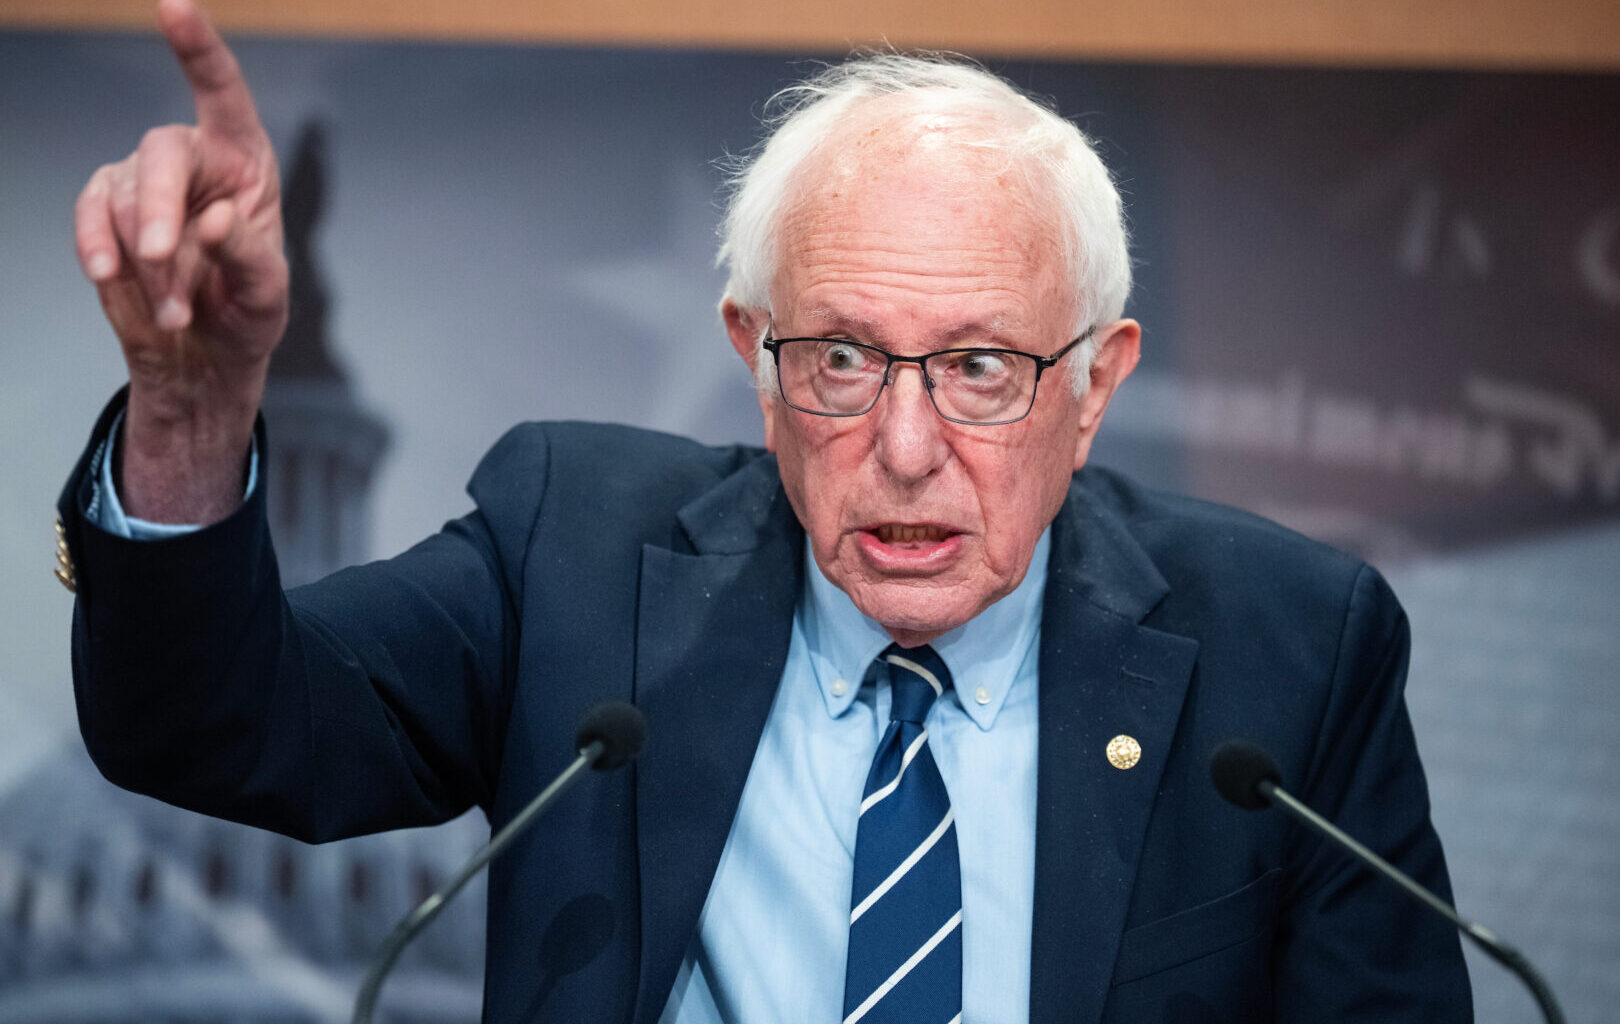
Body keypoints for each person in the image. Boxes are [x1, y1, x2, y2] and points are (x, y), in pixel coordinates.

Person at [57, 0, 1472, 1020]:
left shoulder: (1289, 654)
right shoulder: (579, 555)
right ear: (754, 359)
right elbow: (209, 720)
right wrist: (192, 404)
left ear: (1096, 385)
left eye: (982, 368)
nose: (904, 447)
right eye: (842, 360)